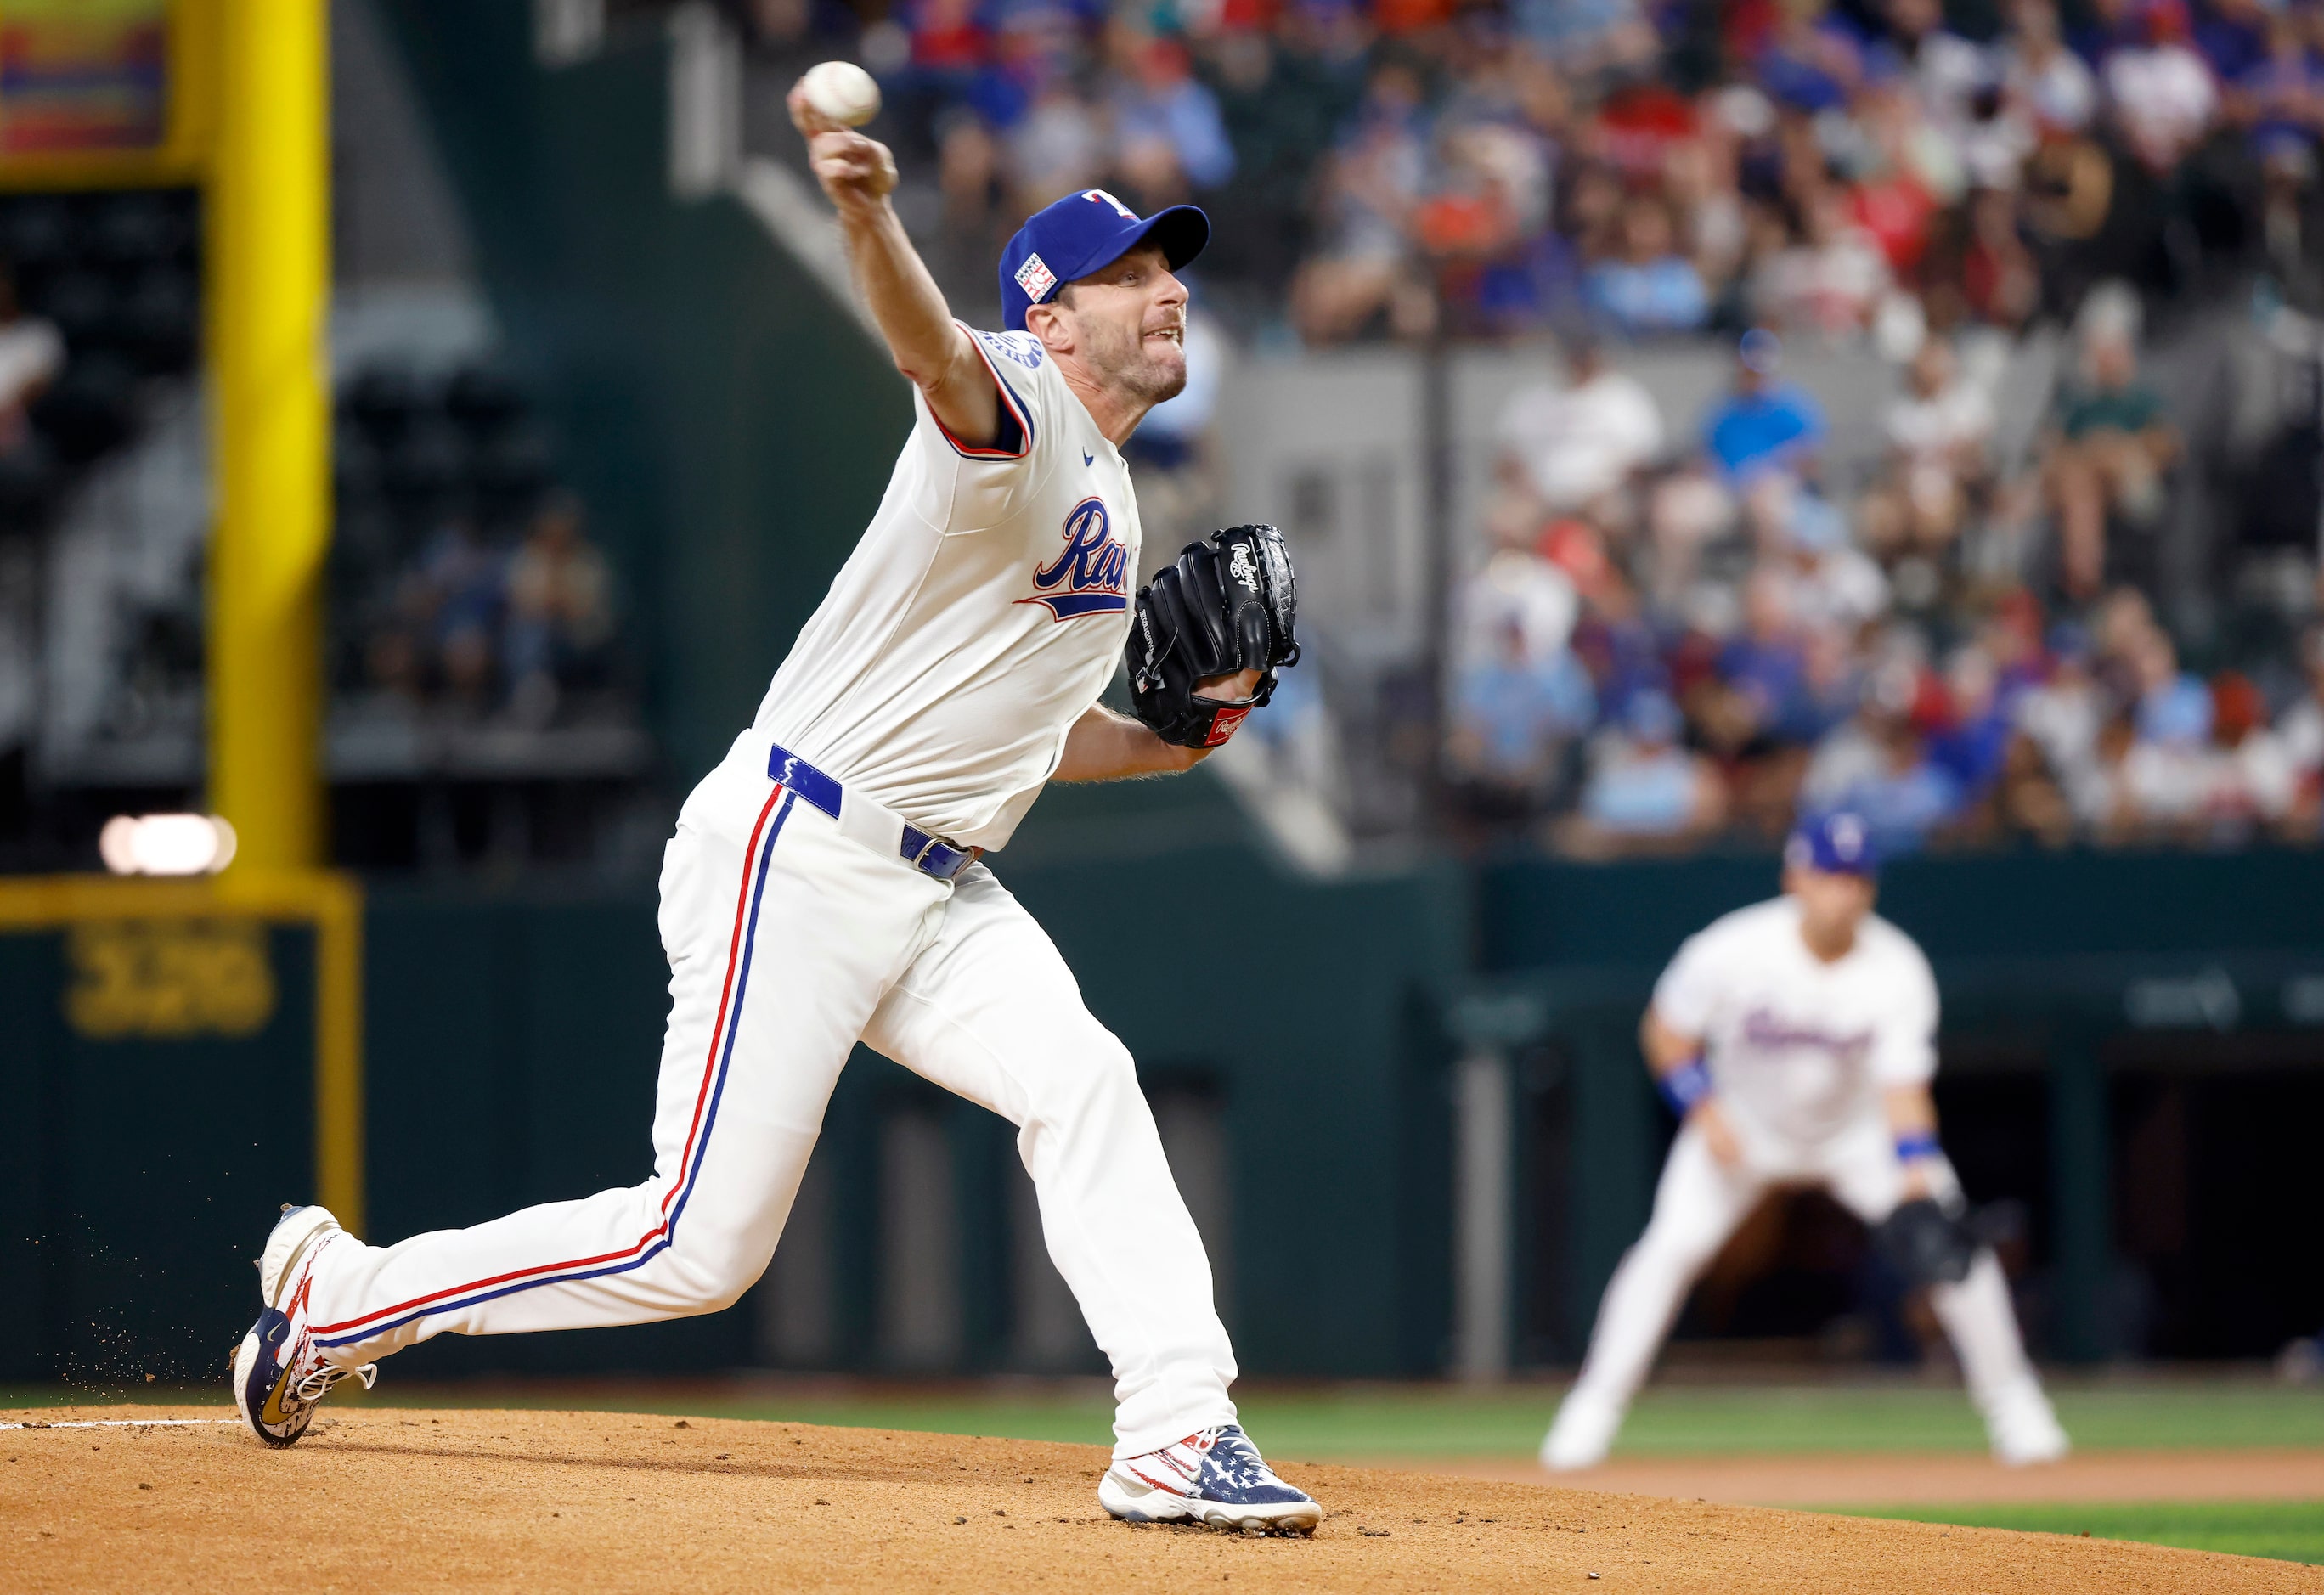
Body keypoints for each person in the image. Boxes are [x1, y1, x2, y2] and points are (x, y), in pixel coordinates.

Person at [227, 82, 1323, 1536]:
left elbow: (1036, 738)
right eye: (1130, 275)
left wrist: (1178, 740)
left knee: (1086, 1081)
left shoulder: (1110, 501)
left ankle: (1178, 1429)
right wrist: (866, 212)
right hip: (799, 848)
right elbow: (929, 351)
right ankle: (340, 1294)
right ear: (1052, 314)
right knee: (697, 1245)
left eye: (1168, 267)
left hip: (939, 878)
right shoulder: (1015, 394)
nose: (1167, 291)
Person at [1540, 813, 2069, 1469]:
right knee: (1667, 1251)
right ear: (1795, 876)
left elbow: (1904, 1089)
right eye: (1829, 875)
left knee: (1954, 1249)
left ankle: (2016, 1408)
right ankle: (1590, 1413)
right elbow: (1665, 1033)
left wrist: (1913, 1169)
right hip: (1742, 1128)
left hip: (1857, 1135)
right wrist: (1702, 1110)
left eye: (1855, 878)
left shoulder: (1896, 966)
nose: (1842, 892)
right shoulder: (1733, 947)